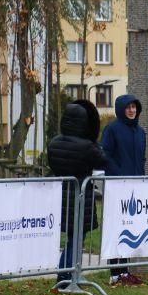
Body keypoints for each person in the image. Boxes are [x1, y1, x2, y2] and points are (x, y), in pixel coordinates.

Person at [47, 100, 107, 285]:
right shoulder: (87, 146)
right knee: (76, 238)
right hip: (81, 196)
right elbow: (102, 160)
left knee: (71, 238)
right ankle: (66, 275)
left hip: (61, 195)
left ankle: (69, 273)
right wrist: (94, 141)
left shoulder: (54, 143)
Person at [100, 93, 147, 285]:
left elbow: (142, 158)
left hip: (135, 188)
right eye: (128, 107)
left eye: (134, 107)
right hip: (117, 186)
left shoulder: (141, 132)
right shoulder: (112, 129)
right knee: (116, 229)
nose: (131, 110)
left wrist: (141, 179)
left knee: (130, 229)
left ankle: (125, 271)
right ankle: (115, 273)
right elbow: (105, 155)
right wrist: (118, 174)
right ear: (121, 109)